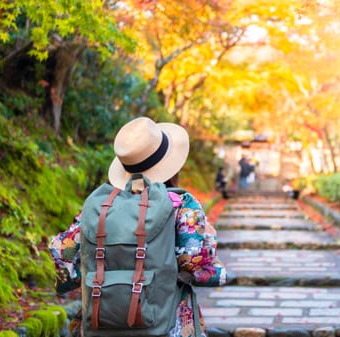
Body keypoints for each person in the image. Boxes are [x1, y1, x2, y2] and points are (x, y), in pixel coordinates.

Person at [49, 117, 227, 337]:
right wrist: (210, 247)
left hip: (101, 322)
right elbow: (195, 266)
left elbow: (61, 252)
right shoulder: (182, 204)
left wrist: (91, 276)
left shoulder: (100, 207)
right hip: (167, 324)